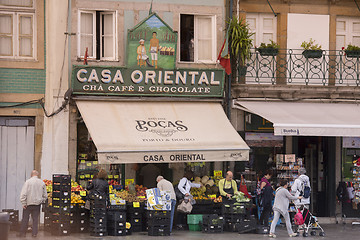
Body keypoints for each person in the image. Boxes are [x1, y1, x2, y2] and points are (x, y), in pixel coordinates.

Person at [19, 170, 48, 237]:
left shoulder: (28, 182)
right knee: (35, 219)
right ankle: (34, 233)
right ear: (37, 175)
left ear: (31, 174)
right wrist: (41, 200)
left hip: (28, 203)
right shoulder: (42, 183)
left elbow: (23, 193)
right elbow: (45, 196)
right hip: (37, 204)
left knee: (25, 218)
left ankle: (23, 233)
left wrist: (23, 203)